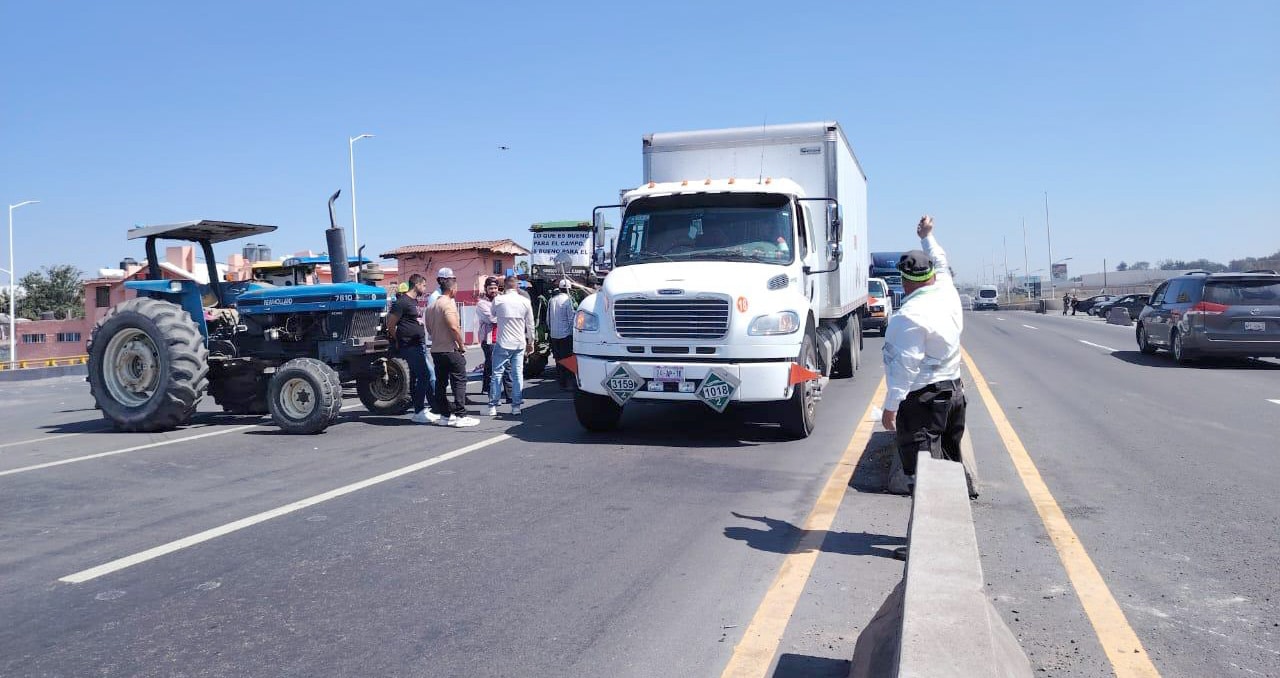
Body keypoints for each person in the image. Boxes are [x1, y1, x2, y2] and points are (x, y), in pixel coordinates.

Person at [882, 215, 966, 490]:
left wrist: (891, 408)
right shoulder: (946, 289)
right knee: (949, 467)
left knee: (926, 479)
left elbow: (904, 367)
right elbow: (940, 260)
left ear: (904, 282)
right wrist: (927, 236)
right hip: (954, 396)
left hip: (923, 403)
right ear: (930, 275)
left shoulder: (908, 316)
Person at [425, 267, 478, 427]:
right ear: (452, 288)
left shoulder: (431, 306)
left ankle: (444, 415)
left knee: (441, 383)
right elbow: (453, 327)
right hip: (450, 349)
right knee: (459, 381)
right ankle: (461, 415)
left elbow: (428, 328)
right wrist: (461, 345)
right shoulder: (447, 304)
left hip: (436, 349)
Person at [384, 274, 439, 424]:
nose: (425, 289)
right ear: (417, 285)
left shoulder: (413, 302)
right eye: (424, 286)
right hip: (409, 345)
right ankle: (419, 411)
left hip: (418, 343)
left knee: (417, 377)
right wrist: (398, 339)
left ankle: (419, 409)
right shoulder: (402, 302)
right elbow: (391, 323)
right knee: (425, 376)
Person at [488, 275, 535, 416]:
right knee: (517, 374)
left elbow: (493, 314)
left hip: (503, 341)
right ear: (517, 286)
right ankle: (516, 406)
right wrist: (531, 342)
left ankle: (492, 406)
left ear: (505, 286)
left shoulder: (498, 300)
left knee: (496, 373)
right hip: (519, 343)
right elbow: (530, 324)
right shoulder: (525, 301)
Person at [546, 279, 577, 389]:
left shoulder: (552, 300)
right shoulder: (568, 300)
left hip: (554, 335)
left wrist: (551, 330)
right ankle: (569, 383)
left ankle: (562, 383)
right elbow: (571, 319)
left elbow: (548, 319)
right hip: (566, 335)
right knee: (568, 359)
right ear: (568, 289)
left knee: (558, 360)